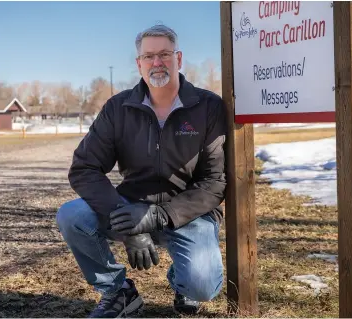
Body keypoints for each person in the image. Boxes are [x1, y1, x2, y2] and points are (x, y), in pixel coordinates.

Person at [56, 24, 227, 318]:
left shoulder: (207, 106)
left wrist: (159, 216)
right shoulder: (119, 108)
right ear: (139, 63)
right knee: (72, 216)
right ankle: (118, 291)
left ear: (179, 59)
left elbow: (214, 182)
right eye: (149, 56)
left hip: (189, 214)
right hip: (130, 208)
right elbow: (84, 168)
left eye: (164, 54)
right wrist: (128, 225)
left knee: (202, 286)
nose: (156, 62)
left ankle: (183, 283)